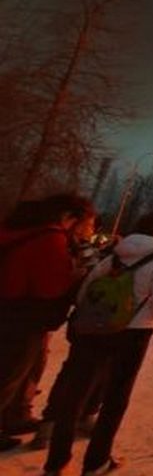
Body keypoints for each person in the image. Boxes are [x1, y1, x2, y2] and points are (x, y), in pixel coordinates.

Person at [43, 211, 153, 476]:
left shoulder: (117, 251)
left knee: (75, 394)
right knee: (116, 398)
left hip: (95, 330)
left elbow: (88, 286)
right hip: (133, 334)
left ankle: (57, 462)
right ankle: (96, 461)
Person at [0, 194, 95, 452]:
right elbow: (50, 287)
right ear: (69, 218)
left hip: (10, 310)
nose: (89, 230)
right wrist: (77, 276)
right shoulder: (50, 239)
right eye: (87, 223)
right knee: (9, 374)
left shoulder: (20, 229)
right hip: (22, 316)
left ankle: (10, 418)